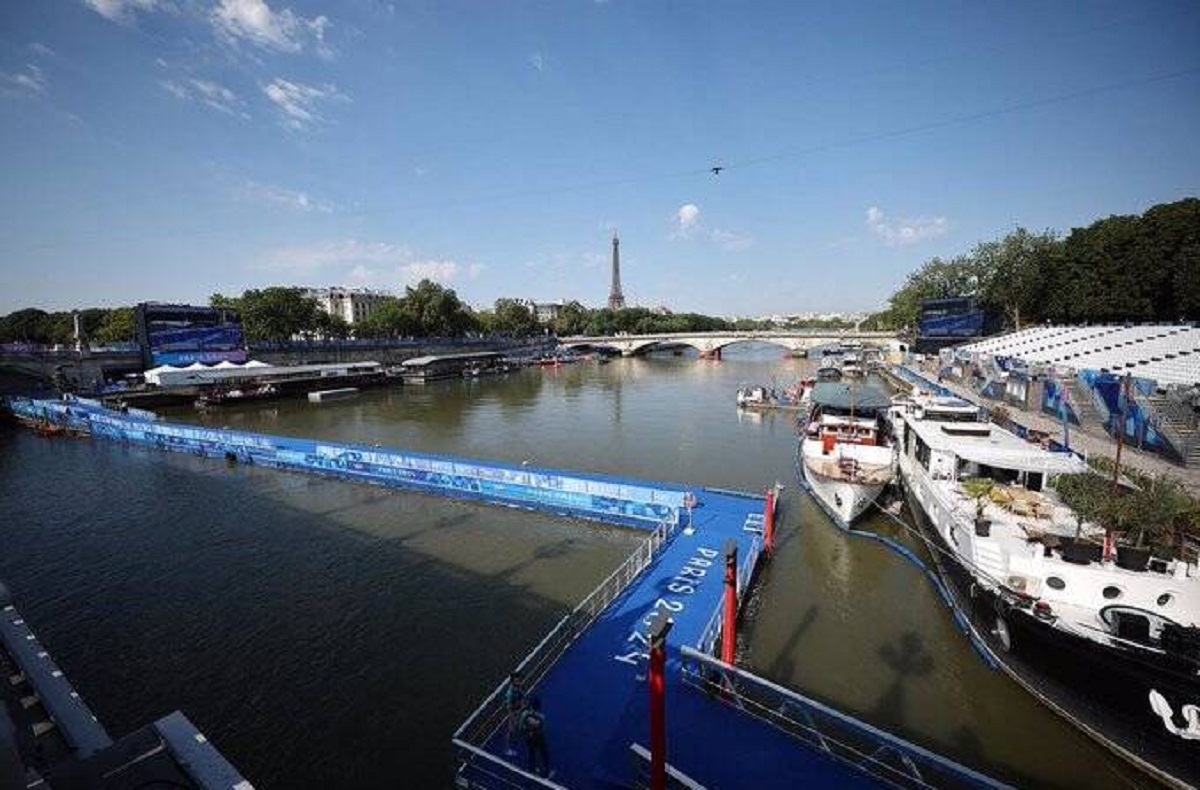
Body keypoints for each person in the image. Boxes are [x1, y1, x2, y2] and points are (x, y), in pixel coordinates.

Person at [521, 696, 550, 778]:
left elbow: (522, 726)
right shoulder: (541, 717)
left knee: (532, 753)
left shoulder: (525, 714)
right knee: (544, 754)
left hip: (529, 737)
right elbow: (541, 726)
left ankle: (531, 769)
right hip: (538, 737)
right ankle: (545, 772)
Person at [503, 671, 526, 756]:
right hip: (514, 712)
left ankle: (523, 731)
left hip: (520, 710)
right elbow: (509, 708)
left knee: (522, 723)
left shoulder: (518, 686)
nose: (519, 681)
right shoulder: (510, 693)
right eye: (517, 680)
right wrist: (512, 717)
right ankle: (506, 749)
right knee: (510, 731)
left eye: (519, 679)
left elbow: (521, 696)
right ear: (512, 681)